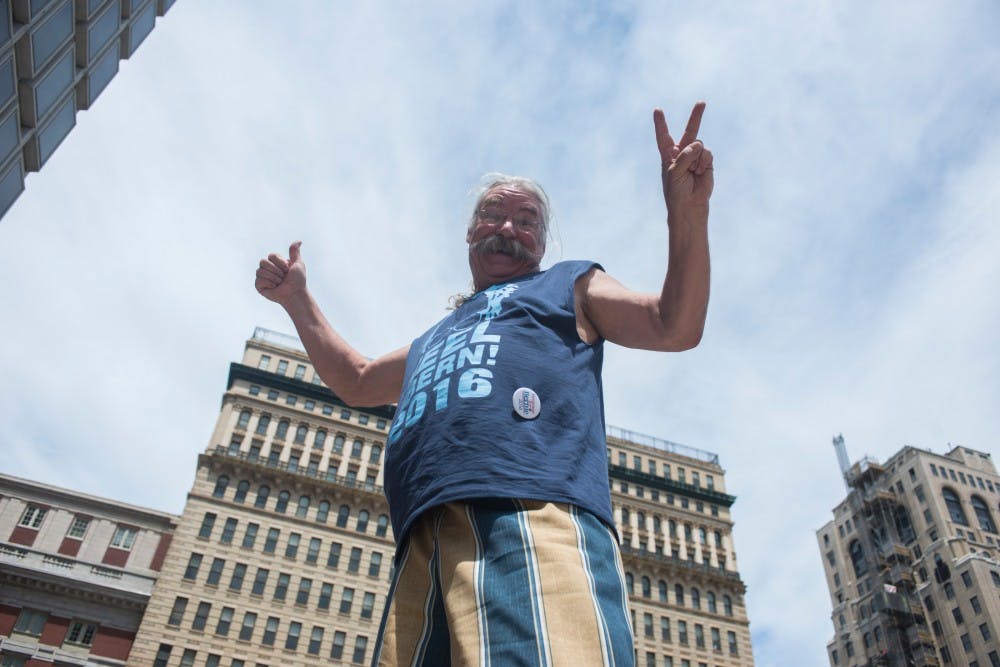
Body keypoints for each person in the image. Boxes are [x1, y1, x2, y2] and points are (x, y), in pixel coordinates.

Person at [255, 103, 713, 667]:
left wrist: (686, 215)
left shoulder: (569, 285)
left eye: (527, 221)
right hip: (423, 534)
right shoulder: (434, 338)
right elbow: (355, 380)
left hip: (532, 513)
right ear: (470, 231)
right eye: (494, 215)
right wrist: (297, 299)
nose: (508, 229)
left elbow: (675, 324)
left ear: (542, 243)